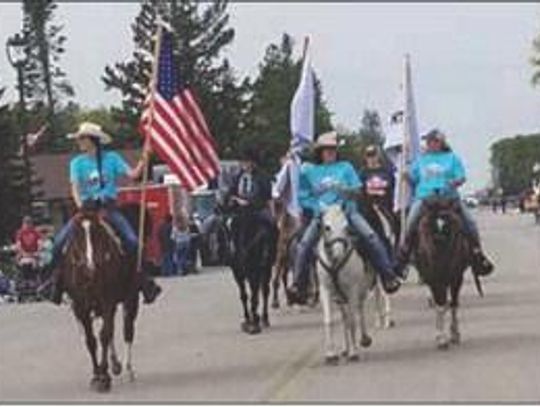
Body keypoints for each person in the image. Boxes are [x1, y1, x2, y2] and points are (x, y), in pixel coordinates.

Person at [41, 121, 162, 305]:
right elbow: (75, 187)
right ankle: (54, 283)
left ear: (92, 140)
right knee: (58, 243)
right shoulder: (77, 163)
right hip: (86, 209)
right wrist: (81, 205)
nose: (79, 141)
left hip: (108, 208)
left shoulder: (112, 158)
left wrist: (144, 159)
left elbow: (133, 174)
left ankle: (143, 281)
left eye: (82, 138)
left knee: (132, 241)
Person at [287, 131, 402, 305]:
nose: (330, 153)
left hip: (346, 212)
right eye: (327, 150)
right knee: (303, 244)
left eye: (333, 150)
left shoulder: (346, 167)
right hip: (323, 214)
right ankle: (298, 284)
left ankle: (388, 275)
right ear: (320, 152)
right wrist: (317, 207)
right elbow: (303, 196)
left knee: (371, 235)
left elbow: (357, 190)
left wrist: (346, 191)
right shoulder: (310, 171)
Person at [396, 129, 494, 277]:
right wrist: (405, 176)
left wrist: (455, 182)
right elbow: (414, 179)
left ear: (440, 142)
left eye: (433, 141)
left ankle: (477, 254)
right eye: (428, 142)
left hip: (448, 198)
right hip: (425, 198)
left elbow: (461, 177)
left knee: (470, 222)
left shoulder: (452, 158)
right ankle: (403, 257)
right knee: (410, 222)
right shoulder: (420, 160)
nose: (430, 144)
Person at [226, 146, 278, 260]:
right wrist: (233, 199)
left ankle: (271, 253)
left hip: (257, 209)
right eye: (243, 161)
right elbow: (230, 192)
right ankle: (232, 249)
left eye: (247, 161)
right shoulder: (237, 177)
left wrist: (272, 213)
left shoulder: (262, 177)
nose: (244, 164)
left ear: (253, 162)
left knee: (271, 225)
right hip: (239, 210)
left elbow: (268, 197)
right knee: (229, 224)